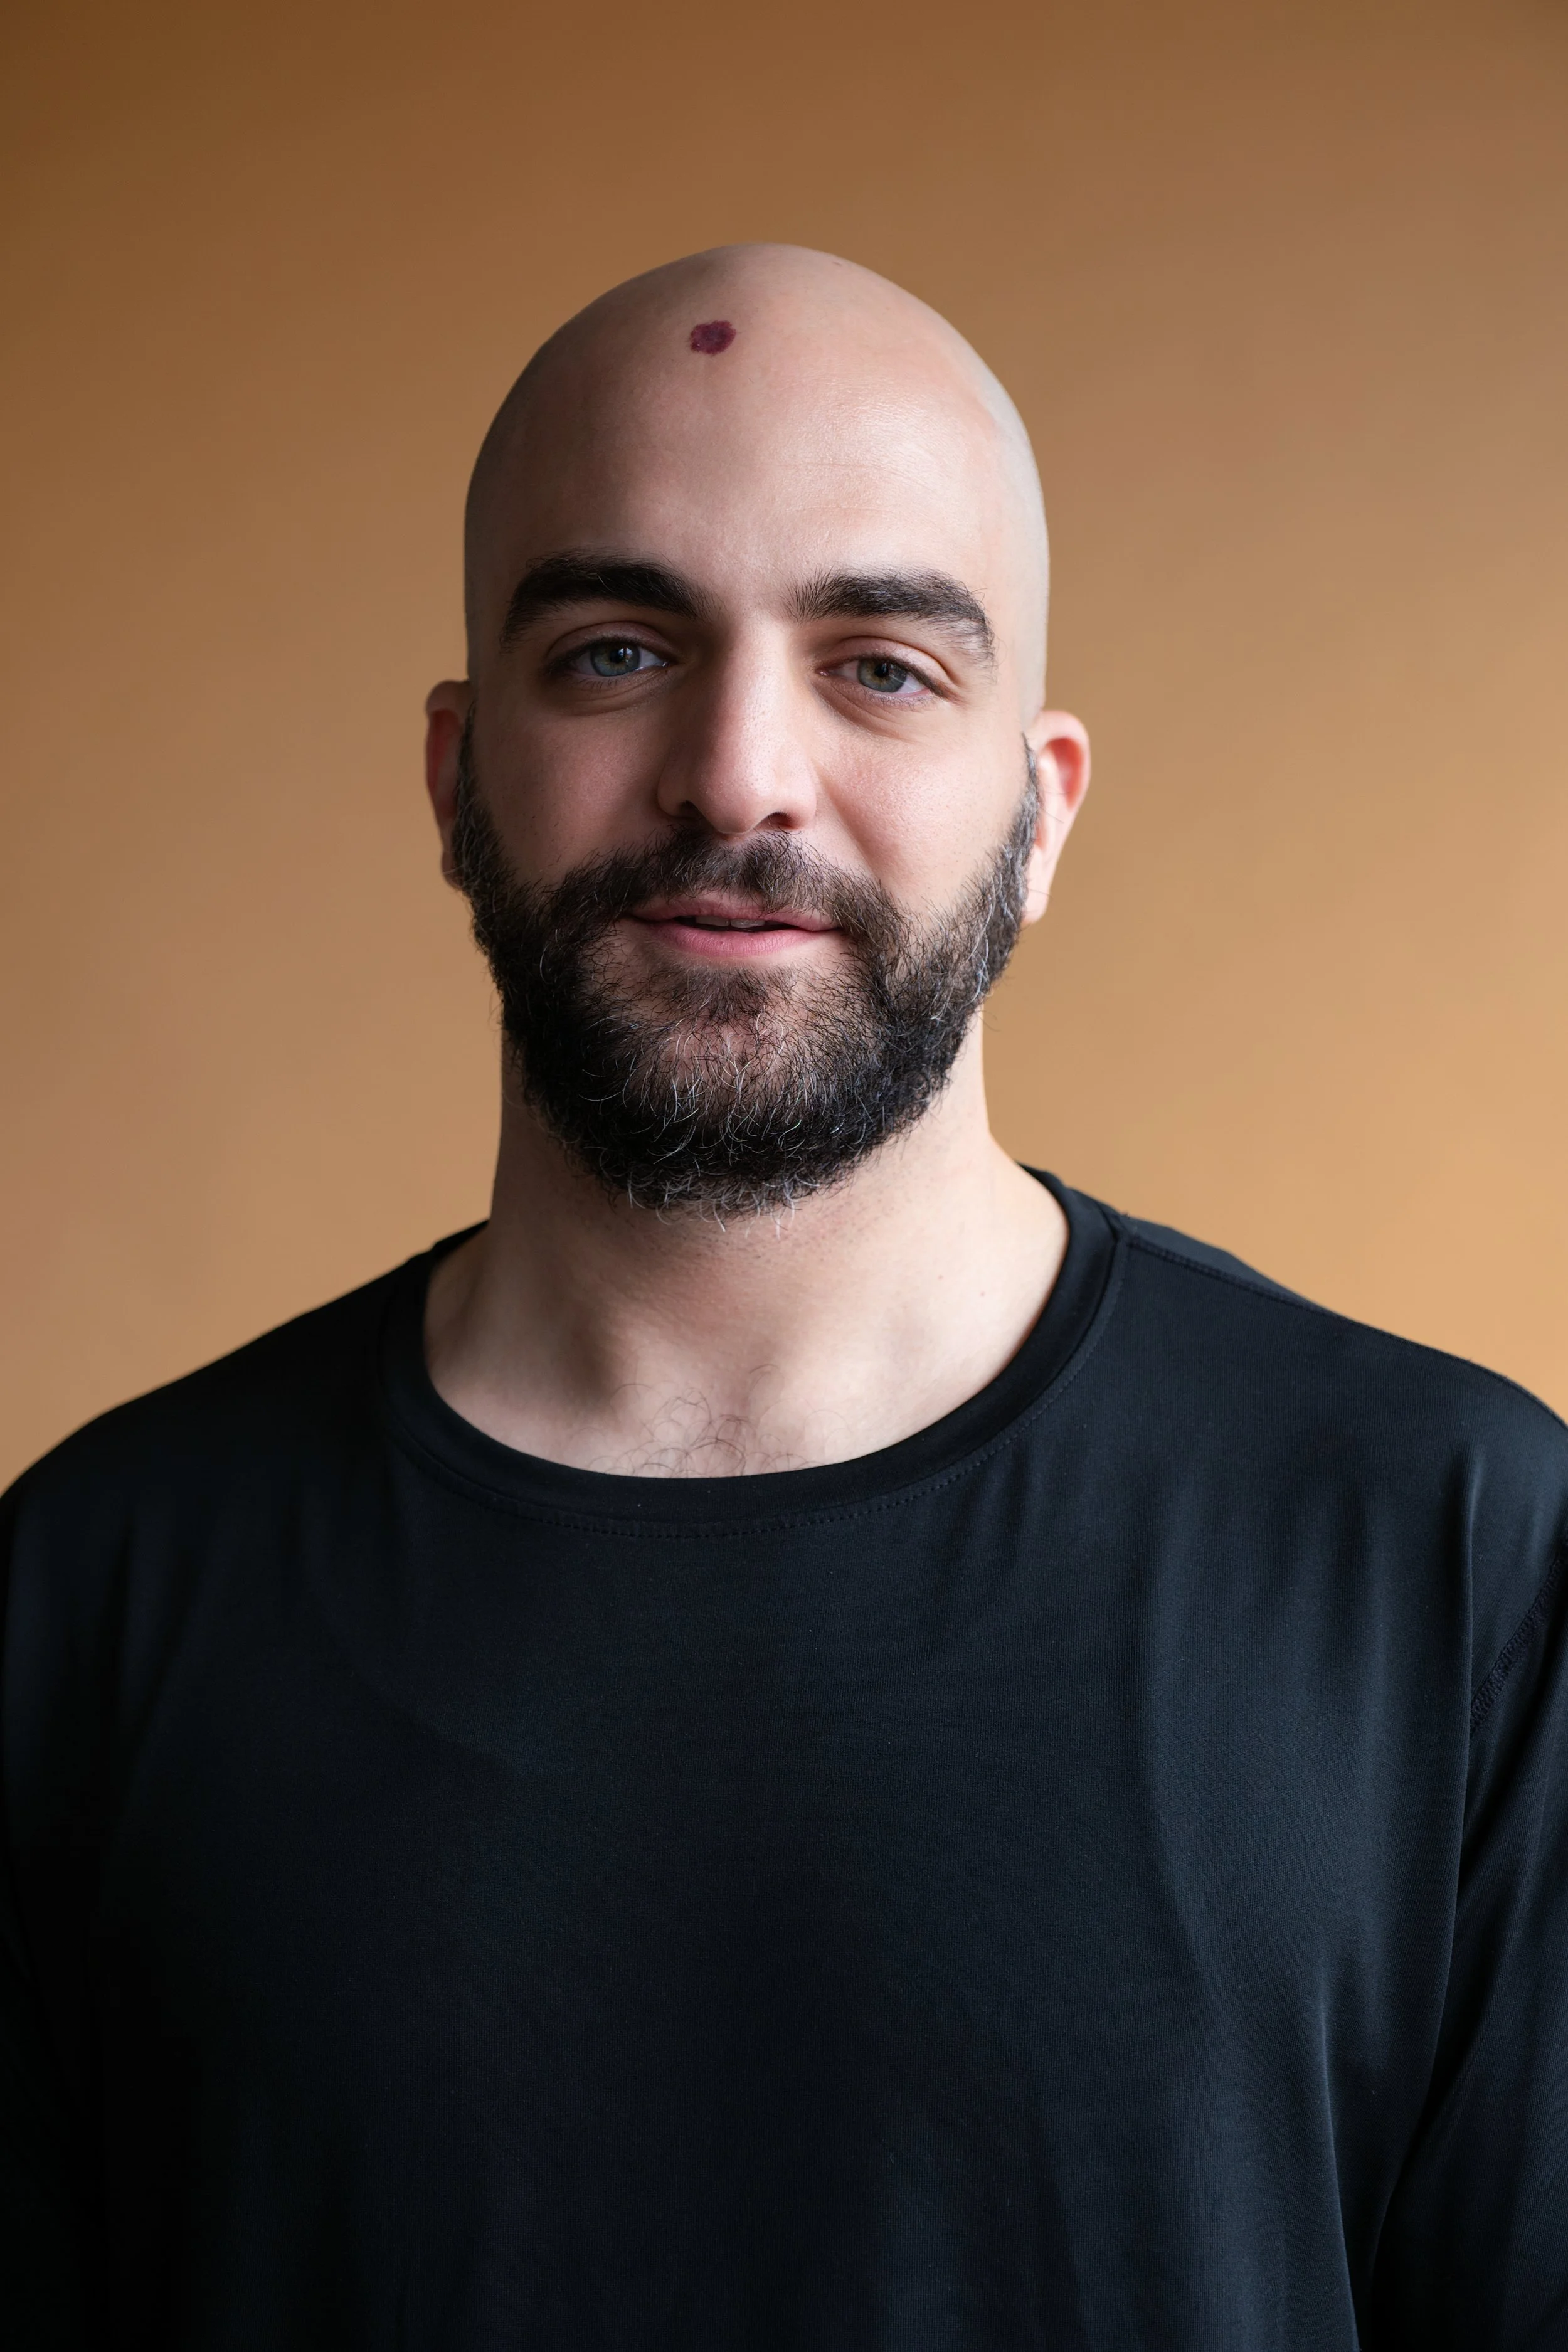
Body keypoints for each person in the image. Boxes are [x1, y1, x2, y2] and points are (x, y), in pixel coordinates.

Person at [2, 244, 1564, 2351]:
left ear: (1040, 812)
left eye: (881, 665)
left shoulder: (1447, 1554)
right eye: (620, 647)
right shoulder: (98, 1586)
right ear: (458, 772)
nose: (737, 772)